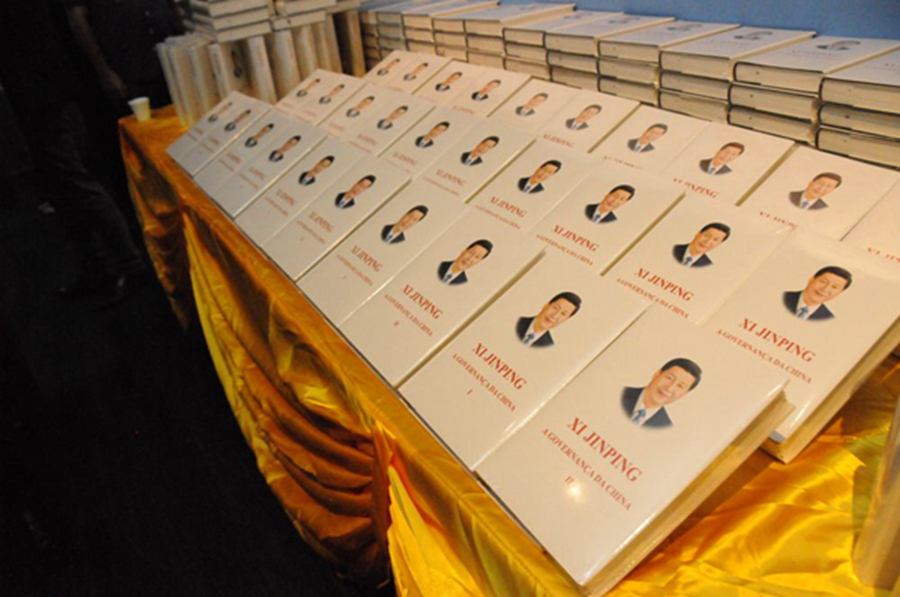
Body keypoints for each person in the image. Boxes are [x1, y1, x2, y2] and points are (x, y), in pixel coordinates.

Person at [0, 0, 146, 306]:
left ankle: (128, 265)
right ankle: (98, 267)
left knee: (75, 181)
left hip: (41, 92)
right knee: (63, 186)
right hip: (37, 90)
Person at [622, 358, 703, 428]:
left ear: (684, 394)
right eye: (669, 378)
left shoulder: (665, 426)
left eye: (680, 386)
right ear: (657, 374)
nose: (669, 388)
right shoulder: (621, 394)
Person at [783, 266, 852, 321]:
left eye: (834, 287)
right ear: (811, 279)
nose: (825, 289)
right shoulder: (783, 297)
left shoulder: (828, 318)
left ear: (840, 292)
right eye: (823, 282)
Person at [515, 292, 582, 348]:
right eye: (555, 308)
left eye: (563, 314)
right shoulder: (517, 322)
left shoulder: (549, 345)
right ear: (546, 305)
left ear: (566, 319)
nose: (555, 316)